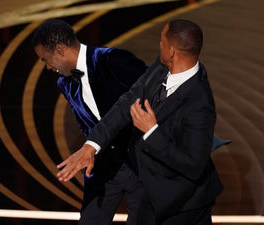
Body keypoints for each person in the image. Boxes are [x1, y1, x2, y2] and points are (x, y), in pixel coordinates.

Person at [57, 19, 224, 225]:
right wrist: (92, 146)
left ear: (172, 51)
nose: (159, 45)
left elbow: (192, 164)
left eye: (162, 42)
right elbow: (128, 101)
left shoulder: (200, 104)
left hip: (183, 206)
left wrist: (151, 131)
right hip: (150, 194)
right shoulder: (163, 66)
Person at [32, 19, 147, 225]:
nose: (48, 67)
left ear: (59, 50)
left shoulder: (113, 60)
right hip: (102, 165)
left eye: (45, 60)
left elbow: (154, 96)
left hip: (140, 163)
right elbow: (87, 125)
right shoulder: (64, 83)